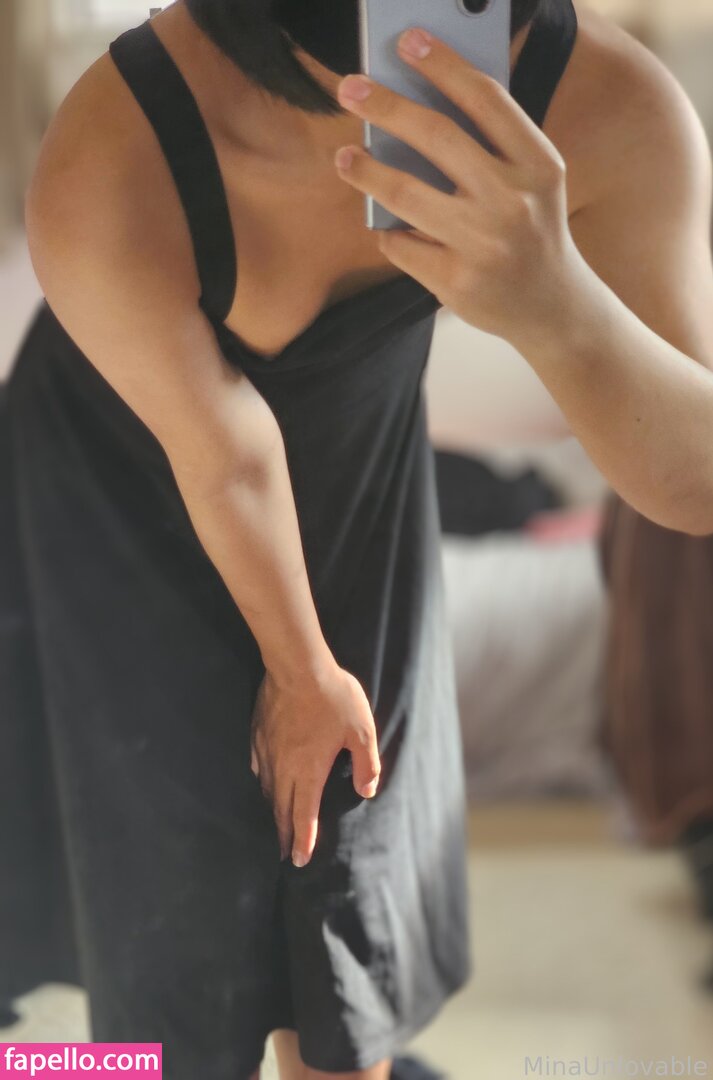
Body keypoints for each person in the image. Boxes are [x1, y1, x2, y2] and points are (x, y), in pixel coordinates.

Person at [3, 0, 713, 1076]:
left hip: (348, 469)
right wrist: (297, 668)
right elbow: (226, 455)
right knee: (158, 928)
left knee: (349, 891)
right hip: (111, 485)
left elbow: (692, 484)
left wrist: (554, 301)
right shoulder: (113, 146)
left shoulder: (609, 107)